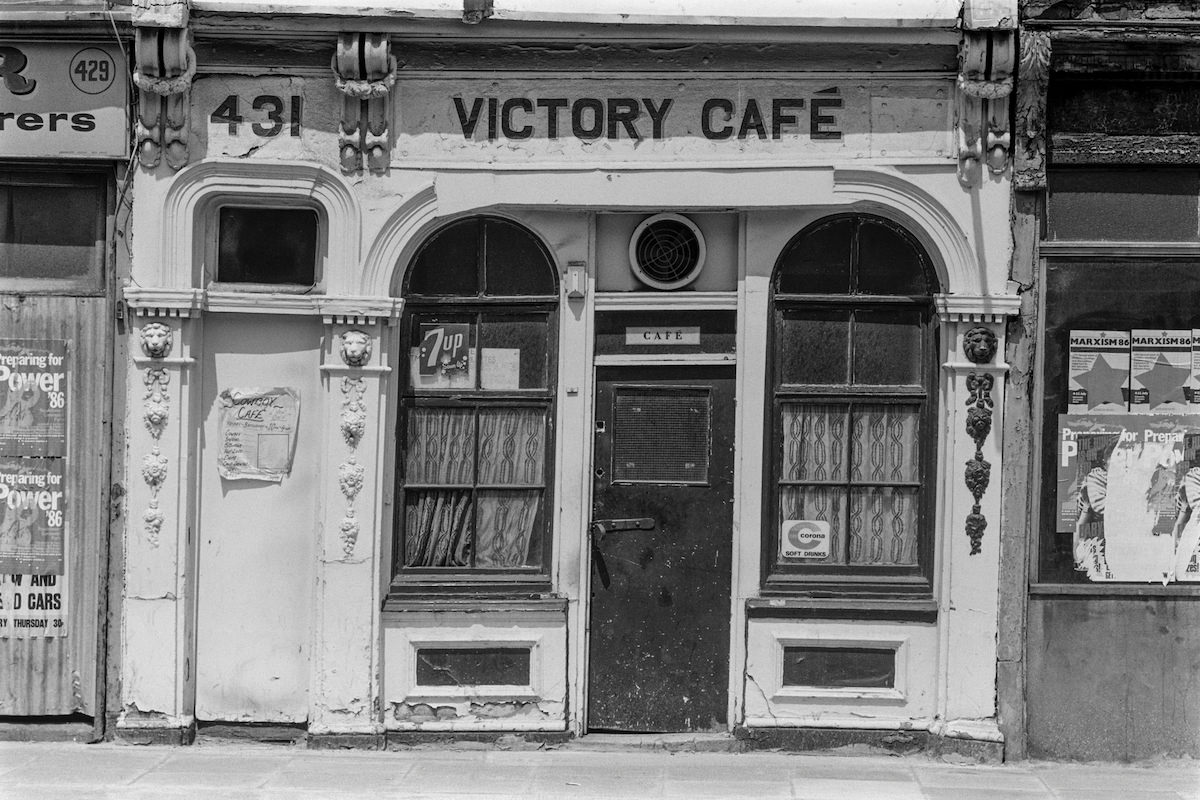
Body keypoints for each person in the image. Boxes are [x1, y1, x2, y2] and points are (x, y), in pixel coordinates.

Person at [1074, 433, 1118, 580]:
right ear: (1105, 461)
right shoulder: (1098, 476)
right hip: (1093, 543)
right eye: (1117, 457)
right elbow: (1101, 507)